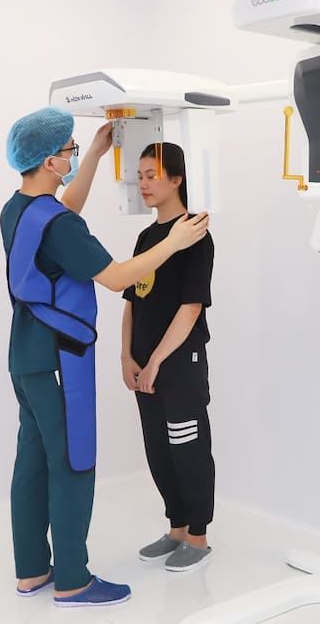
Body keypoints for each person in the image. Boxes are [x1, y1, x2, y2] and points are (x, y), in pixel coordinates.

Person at [1, 108, 210, 607]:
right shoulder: (60, 226)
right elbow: (117, 278)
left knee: (31, 464)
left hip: (26, 358)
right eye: (69, 151)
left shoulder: (18, 208)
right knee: (73, 462)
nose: (73, 157)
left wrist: (95, 153)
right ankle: (73, 579)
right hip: (60, 359)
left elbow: (61, 211)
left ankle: (32, 571)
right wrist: (175, 241)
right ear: (50, 162)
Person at [121, 142, 216, 572]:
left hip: (178, 361)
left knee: (186, 446)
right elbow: (131, 300)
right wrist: (126, 355)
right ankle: (176, 527)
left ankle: (197, 535)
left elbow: (191, 307)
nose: (142, 183)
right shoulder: (146, 238)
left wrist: (158, 360)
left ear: (176, 179)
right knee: (158, 448)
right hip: (143, 363)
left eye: (151, 176)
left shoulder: (195, 233)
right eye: (139, 176)